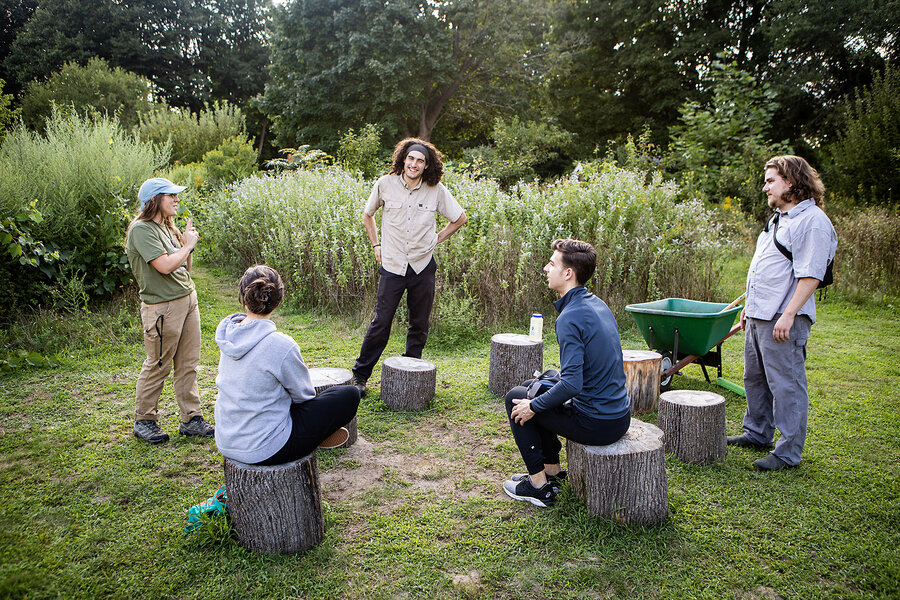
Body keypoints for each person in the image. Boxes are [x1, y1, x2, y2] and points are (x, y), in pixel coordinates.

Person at [502, 239, 631, 508]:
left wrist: (532, 406)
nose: (546, 268)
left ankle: (538, 488)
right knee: (531, 385)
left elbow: (572, 383)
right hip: (618, 416)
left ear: (568, 273)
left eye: (552, 264)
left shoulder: (570, 317)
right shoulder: (597, 304)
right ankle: (552, 472)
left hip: (598, 422)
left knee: (516, 398)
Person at [728, 155, 837, 471]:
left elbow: (811, 275)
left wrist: (788, 315)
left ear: (791, 181)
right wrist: (750, 306)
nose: (765, 188)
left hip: (783, 319)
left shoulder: (812, 221)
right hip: (760, 315)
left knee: (786, 384)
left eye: (770, 180)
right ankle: (757, 432)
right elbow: (766, 269)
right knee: (756, 379)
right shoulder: (778, 218)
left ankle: (788, 452)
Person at [351, 138, 467, 395]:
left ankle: (412, 372)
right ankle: (360, 376)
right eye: (411, 158)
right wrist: (376, 245)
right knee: (381, 322)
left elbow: (460, 218)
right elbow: (367, 214)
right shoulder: (385, 184)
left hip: (422, 266)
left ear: (426, 166)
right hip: (392, 265)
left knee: (419, 323)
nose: (414, 164)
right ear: (403, 159)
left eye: (420, 161)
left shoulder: (436, 190)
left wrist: (436, 239)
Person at [214, 265, 360, 465]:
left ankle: (312, 435)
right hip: (266, 449)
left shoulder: (228, 335)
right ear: (278, 300)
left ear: (243, 297)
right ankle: (316, 437)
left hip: (227, 440)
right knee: (349, 394)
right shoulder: (281, 345)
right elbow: (303, 396)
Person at [126, 177, 214, 444]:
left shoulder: (165, 226)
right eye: (171, 195)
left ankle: (192, 418)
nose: (176, 199)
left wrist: (188, 243)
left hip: (187, 299)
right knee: (159, 364)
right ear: (154, 200)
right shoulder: (141, 230)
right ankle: (145, 420)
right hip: (162, 307)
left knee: (188, 364)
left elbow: (183, 268)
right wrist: (186, 245)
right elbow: (164, 266)